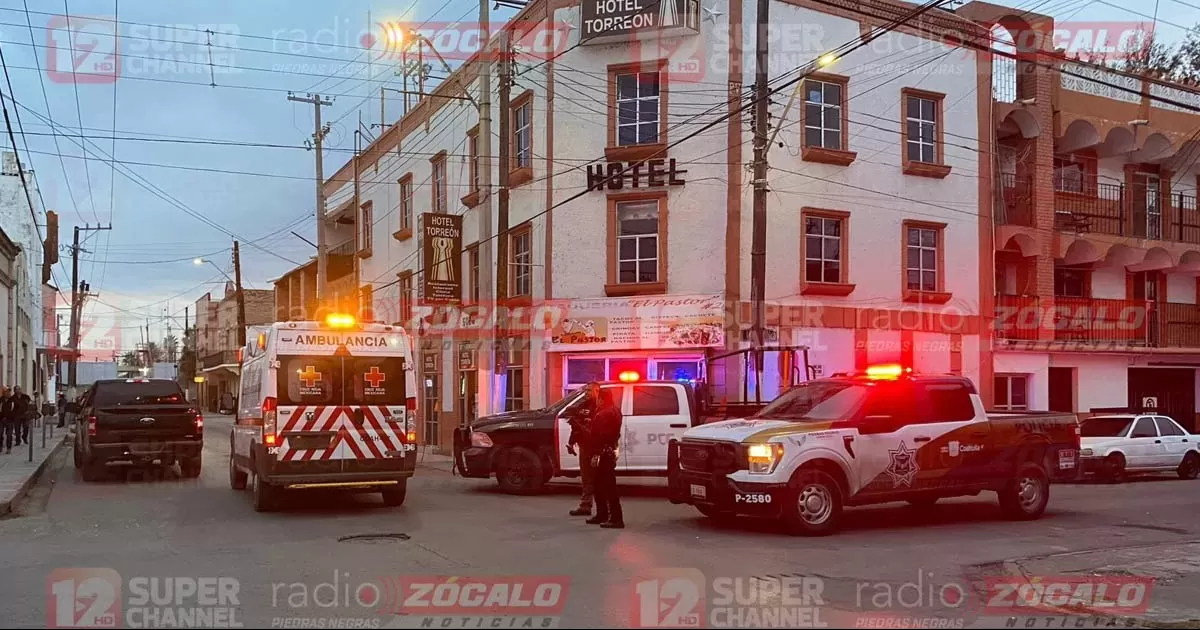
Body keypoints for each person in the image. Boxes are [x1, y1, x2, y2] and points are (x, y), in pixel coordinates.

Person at [587, 387, 625, 529]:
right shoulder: (616, 411)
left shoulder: (602, 414)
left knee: (604, 486)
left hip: (602, 453)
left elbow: (597, 436)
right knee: (604, 485)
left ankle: (614, 518)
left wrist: (594, 453)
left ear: (601, 399)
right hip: (610, 451)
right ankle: (603, 515)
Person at [566, 383, 601, 517]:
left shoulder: (600, 408)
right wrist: (571, 443)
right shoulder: (583, 405)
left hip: (596, 447)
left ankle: (603, 509)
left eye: (589, 390)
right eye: (585, 390)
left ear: (597, 391)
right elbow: (575, 427)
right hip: (584, 446)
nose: (586, 393)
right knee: (586, 478)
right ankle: (585, 506)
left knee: (598, 479)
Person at [0, 387, 15, 454]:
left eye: (9, 392)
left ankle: (8, 448)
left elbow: (15, 410)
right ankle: (0, 446)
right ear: (3, 393)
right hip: (1, 419)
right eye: (6, 392)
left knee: (9, 435)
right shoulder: (0, 400)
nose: (8, 393)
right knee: (0, 434)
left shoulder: (12, 401)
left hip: (10, 420)